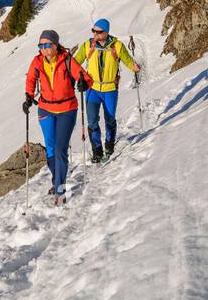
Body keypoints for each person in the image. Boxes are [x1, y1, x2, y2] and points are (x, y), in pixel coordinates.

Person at [24, 29, 93, 204]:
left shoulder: (67, 60)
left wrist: (83, 83)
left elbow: (85, 78)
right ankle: (57, 180)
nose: (44, 49)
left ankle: (60, 187)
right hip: (46, 109)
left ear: (55, 45)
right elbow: (31, 79)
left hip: (67, 109)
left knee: (61, 148)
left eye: (48, 45)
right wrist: (29, 95)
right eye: (41, 45)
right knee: (51, 149)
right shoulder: (37, 61)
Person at [71, 19, 140, 162]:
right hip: (92, 89)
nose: (95, 34)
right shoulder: (88, 45)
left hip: (110, 89)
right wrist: (80, 78)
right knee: (92, 121)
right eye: (93, 31)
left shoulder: (117, 46)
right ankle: (97, 151)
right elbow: (75, 63)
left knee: (109, 118)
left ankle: (109, 144)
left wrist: (135, 67)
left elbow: (127, 60)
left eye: (98, 31)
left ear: (106, 32)